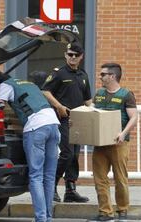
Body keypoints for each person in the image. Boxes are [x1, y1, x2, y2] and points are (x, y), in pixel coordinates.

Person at [0, 74, 60, 222]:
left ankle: (40, 218)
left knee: (36, 176)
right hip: (53, 125)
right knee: (49, 176)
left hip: (36, 127)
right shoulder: (30, 85)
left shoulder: (5, 85)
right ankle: (47, 218)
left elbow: (0, 105)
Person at [87, 63, 138, 222]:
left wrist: (123, 134)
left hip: (119, 143)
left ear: (112, 76)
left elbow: (134, 117)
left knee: (120, 178)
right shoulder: (100, 93)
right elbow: (92, 113)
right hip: (100, 144)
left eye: (103, 74)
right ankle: (105, 213)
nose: (100, 77)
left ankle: (122, 210)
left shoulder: (126, 94)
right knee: (99, 178)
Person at [42, 42, 92, 202]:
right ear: (65, 55)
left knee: (75, 155)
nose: (73, 58)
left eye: (76, 55)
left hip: (79, 120)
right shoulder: (59, 73)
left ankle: (70, 190)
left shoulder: (83, 76)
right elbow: (45, 91)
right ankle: (51, 186)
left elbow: (88, 100)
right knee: (67, 154)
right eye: (70, 54)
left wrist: (96, 113)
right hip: (63, 119)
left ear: (81, 57)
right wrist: (59, 105)